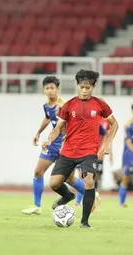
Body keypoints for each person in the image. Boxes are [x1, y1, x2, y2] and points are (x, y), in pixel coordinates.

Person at [42, 70, 118, 228]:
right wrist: (49, 139)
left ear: (93, 87)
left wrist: (105, 144)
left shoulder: (100, 104)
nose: (84, 90)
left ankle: (85, 222)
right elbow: (58, 128)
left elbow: (114, 124)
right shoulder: (69, 105)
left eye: (88, 87)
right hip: (68, 151)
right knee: (54, 183)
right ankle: (68, 195)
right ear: (77, 86)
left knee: (89, 181)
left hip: (89, 152)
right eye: (82, 87)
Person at [22, 76, 85, 215]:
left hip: (66, 145)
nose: (50, 91)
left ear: (57, 89)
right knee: (38, 171)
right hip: (52, 144)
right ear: (44, 90)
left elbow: (72, 126)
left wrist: (66, 143)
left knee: (70, 179)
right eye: (47, 88)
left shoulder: (63, 106)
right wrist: (38, 133)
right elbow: (47, 118)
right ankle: (37, 206)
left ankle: (92, 194)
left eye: (52, 88)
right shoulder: (46, 105)